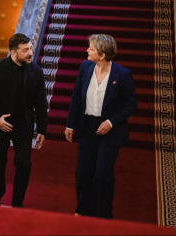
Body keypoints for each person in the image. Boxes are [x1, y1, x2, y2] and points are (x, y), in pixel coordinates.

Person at [65, 34, 137, 219]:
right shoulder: (85, 68)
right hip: (87, 127)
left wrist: (111, 122)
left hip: (110, 130)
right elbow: (76, 97)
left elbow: (131, 104)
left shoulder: (122, 75)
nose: (87, 50)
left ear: (103, 55)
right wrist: (70, 125)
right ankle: (83, 210)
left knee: (103, 174)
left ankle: (104, 215)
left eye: (91, 49)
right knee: (83, 172)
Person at [0, 33, 48, 208]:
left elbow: (40, 102)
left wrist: (42, 129)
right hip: (0, 123)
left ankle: (18, 202)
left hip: (23, 124)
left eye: (30, 48)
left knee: (24, 164)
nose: (30, 53)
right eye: (25, 50)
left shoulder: (37, 72)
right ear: (13, 53)